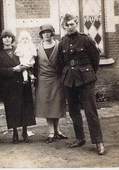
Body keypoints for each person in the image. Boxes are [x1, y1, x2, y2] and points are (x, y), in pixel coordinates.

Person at [58, 14, 106, 155]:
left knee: (90, 111)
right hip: (69, 81)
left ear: (77, 24)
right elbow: (61, 62)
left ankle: (98, 142)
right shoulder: (62, 43)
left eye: (72, 24)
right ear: (64, 26)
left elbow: (95, 60)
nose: (70, 27)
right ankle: (80, 138)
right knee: (73, 111)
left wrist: (88, 75)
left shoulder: (86, 40)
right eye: (67, 25)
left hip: (85, 80)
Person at [0, 29, 36, 144]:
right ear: (2, 40)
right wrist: (13, 69)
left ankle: (25, 132)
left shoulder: (19, 49)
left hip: (23, 83)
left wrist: (26, 67)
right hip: (9, 85)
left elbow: (28, 59)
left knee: (25, 107)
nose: (7, 39)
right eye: (4, 37)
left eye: (9, 37)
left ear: (12, 39)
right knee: (12, 109)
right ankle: (15, 133)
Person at [35, 24, 68, 143]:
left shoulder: (59, 45)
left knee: (57, 105)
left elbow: (64, 62)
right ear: (41, 35)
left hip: (57, 79)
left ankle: (57, 130)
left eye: (48, 32)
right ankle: (51, 132)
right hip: (43, 80)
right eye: (44, 33)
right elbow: (35, 65)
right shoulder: (38, 48)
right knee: (47, 105)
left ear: (52, 33)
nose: (46, 34)